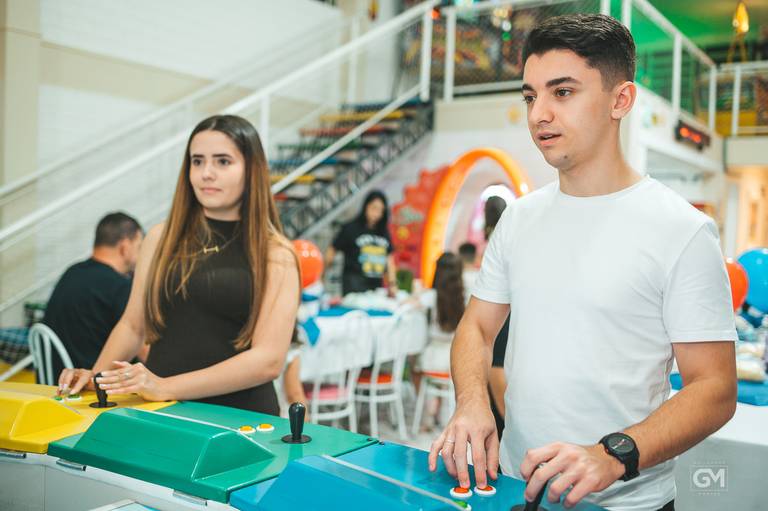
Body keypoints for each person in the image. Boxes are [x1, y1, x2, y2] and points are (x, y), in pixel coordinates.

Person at [428, 14, 737, 511]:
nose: (539, 114)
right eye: (530, 96)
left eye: (563, 92)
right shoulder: (519, 219)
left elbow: (715, 388)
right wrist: (472, 402)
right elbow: (477, 329)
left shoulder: (681, 230)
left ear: (621, 100)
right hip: (516, 489)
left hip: (626, 502)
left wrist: (613, 454)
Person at [58, 115, 300, 415]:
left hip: (238, 419)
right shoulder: (161, 238)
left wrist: (165, 386)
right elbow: (133, 325)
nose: (206, 173)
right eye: (197, 161)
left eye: (223, 161)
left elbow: (268, 361)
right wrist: (97, 378)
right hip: (163, 412)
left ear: (252, 169)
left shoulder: (275, 254)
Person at [44, 212, 146, 380]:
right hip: (91, 381)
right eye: (139, 246)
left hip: (56, 378)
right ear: (125, 246)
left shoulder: (72, 272)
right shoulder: (118, 286)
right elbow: (144, 351)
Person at [414, 252, 465, 430]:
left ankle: (427, 411)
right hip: (455, 358)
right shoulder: (465, 296)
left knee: (415, 367)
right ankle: (438, 407)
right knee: (443, 381)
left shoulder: (431, 296)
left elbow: (408, 305)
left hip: (434, 356)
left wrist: (417, 294)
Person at [324, 190, 397, 296]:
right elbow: (331, 251)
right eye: (374, 208)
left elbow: (389, 259)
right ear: (366, 206)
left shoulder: (383, 232)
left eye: (381, 210)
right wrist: (322, 276)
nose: (377, 214)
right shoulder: (351, 228)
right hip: (354, 288)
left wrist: (392, 283)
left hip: (375, 288)